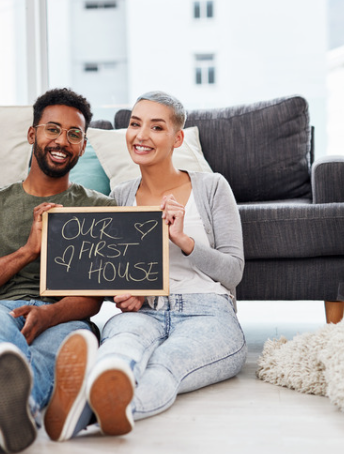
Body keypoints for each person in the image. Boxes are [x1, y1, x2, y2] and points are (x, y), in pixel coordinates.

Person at [44, 91, 248, 441]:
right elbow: (112, 272)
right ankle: (88, 398)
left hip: (208, 312)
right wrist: (126, 291)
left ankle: (88, 413)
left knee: (164, 365)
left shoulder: (212, 187)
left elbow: (233, 272)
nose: (141, 135)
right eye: (135, 124)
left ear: (177, 138)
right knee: (119, 350)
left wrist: (184, 242)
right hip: (144, 312)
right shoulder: (121, 195)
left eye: (156, 127)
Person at [0, 88, 115, 454]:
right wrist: (28, 251)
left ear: (83, 144)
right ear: (32, 134)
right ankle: (15, 414)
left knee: (63, 351)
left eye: (74, 134)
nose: (62, 141)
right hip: (0, 307)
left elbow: (93, 298)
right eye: (53, 129)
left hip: (64, 316)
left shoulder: (97, 206)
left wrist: (49, 314)